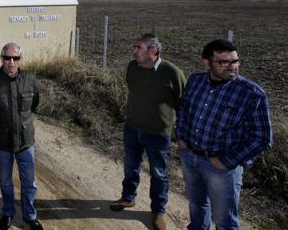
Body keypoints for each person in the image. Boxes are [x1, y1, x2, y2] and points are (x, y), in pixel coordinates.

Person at [176, 39, 273, 230]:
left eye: (235, 61)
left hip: (220, 167)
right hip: (190, 156)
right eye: (224, 62)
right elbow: (184, 110)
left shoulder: (252, 93)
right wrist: (180, 137)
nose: (232, 67)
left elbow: (262, 138)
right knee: (197, 205)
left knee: (224, 221)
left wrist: (227, 161)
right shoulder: (195, 80)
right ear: (207, 62)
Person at [110, 33, 186, 230]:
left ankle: (158, 211)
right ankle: (128, 198)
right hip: (132, 127)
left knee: (159, 173)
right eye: (134, 47)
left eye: (138, 47)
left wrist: (181, 134)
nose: (134, 51)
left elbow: (183, 104)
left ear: (153, 50)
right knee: (130, 166)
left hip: (158, 134)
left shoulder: (172, 72)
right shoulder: (132, 67)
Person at [0, 42, 43, 230]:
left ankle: (30, 216)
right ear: (2, 59)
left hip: (25, 143)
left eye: (15, 58)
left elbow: (35, 104)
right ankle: (8, 212)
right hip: (2, 144)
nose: (11, 62)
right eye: (7, 58)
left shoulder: (31, 79)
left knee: (29, 183)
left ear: (21, 59)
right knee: (5, 182)